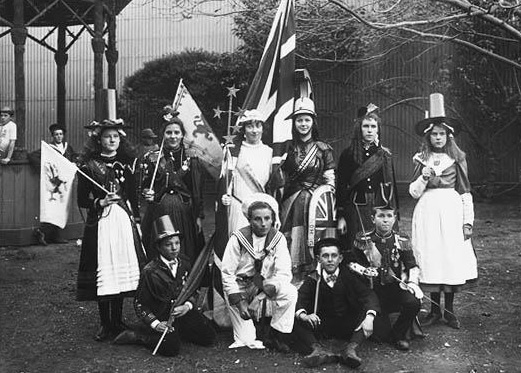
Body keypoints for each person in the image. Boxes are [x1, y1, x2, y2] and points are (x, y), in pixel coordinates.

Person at [409, 93, 477, 329]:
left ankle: (449, 311)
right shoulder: (421, 159)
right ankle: (433, 309)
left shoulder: (457, 159)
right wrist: (423, 179)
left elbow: (465, 191)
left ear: (448, 136)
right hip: (427, 212)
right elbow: (413, 192)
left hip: (450, 212)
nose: (438, 138)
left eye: (441, 134)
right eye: (434, 134)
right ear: (428, 137)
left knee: (449, 258)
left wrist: (467, 222)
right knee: (432, 257)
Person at [76, 118, 147, 342]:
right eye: (108, 136)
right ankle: (105, 324)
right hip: (101, 222)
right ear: (99, 139)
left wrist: (136, 219)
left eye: (116, 136)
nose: (112, 140)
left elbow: (133, 196)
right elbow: (81, 200)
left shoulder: (127, 163)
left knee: (119, 269)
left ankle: (117, 321)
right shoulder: (88, 166)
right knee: (104, 268)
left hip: (123, 220)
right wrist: (99, 203)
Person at [114, 215, 216, 356]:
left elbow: (193, 289)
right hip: (162, 316)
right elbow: (139, 304)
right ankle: (140, 336)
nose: (174, 248)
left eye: (177, 243)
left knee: (209, 337)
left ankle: (180, 331)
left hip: (182, 312)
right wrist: (155, 324)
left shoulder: (185, 262)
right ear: (158, 247)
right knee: (171, 349)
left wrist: (187, 306)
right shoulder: (150, 272)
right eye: (168, 245)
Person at [221, 193, 297, 350]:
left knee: (290, 291)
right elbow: (227, 274)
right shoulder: (238, 238)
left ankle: (277, 334)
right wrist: (240, 302)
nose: (263, 224)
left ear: (272, 219)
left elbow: (284, 273)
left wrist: (260, 298)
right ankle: (248, 325)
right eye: (257, 219)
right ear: (249, 220)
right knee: (247, 340)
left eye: (267, 218)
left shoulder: (278, 239)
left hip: (262, 284)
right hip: (240, 285)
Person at [291, 237, 380, 368]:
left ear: (340, 258)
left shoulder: (350, 276)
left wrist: (369, 318)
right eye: (325, 256)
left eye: (334, 255)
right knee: (294, 318)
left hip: (348, 324)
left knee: (368, 313)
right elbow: (301, 298)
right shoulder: (313, 278)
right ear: (319, 259)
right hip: (322, 325)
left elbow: (368, 295)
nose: (330, 260)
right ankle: (317, 350)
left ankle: (351, 350)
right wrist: (304, 316)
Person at [349, 202, 423, 351]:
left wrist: (413, 284)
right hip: (372, 290)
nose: (385, 220)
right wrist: (365, 271)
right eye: (381, 216)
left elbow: (412, 265)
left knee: (414, 303)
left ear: (394, 219)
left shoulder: (401, 239)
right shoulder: (363, 239)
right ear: (372, 219)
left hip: (395, 288)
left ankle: (398, 335)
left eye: (389, 216)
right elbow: (351, 264)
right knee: (379, 337)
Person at [279, 97, 335, 285]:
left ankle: (312, 278)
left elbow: (330, 181)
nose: (303, 124)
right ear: (294, 123)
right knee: (291, 239)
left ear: (313, 122)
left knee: (313, 240)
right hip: (291, 202)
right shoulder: (286, 147)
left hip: (315, 205)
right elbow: (280, 178)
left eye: (307, 120)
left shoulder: (324, 149)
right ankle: (292, 278)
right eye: (299, 120)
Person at [141, 106, 205, 263]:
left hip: (185, 211)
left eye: (177, 132)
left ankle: (186, 282)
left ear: (182, 134)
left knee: (185, 248)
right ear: (163, 135)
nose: (173, 136)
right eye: (169, 132)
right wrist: (146, 193)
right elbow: (145, 186)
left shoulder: (192, 157)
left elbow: (197, 190)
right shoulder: (152, 158)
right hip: (159, 210)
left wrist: (198, 216)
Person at [336, 104, 399, 253]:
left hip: (379, 208)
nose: (369, 130)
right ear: (359, 128)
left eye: (373, 126)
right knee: (356, 247)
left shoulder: (384, 155)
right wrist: (341, 216)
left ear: (378, 129)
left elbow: (392, 187)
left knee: (380, 247)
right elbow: (341, 187)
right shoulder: (348, 154)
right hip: (355, 209)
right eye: (366, 126)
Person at [220, 109, 274, 235]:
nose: (254, 130)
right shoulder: (233, 151)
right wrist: (225, 195)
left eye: (258, 126)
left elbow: (272, 184)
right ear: (243, 129)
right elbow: (226, 179)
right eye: (250, 126)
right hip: (239, 207)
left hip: (262, 211)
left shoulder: (269, 152)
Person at [34, 123, 77, 245]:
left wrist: (74, 163)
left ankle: (52, 235)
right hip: (54, 183)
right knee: (54, 208)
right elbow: (32, 156)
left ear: (63, 135)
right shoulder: (49, 149)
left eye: (61, 134)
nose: (59, 136)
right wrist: (45, 171)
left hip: (65, 183)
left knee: (62, 208)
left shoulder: (68, 148)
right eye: (56, 134)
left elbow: (73, 158)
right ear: (52, 136)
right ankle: (43, 232)